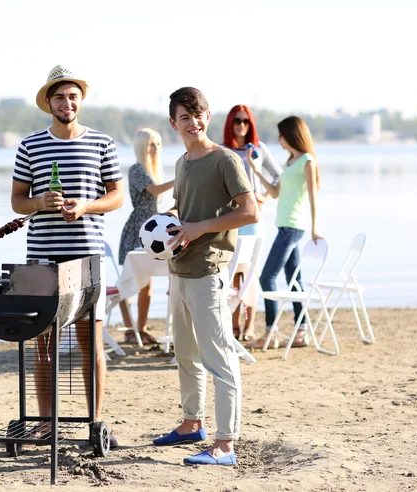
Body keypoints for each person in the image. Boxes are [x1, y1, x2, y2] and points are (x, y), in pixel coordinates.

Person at [11, 65, 124, 447]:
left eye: (73, 95)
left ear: (81, 100)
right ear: (49, 103)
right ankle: (45, 423)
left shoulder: (103, 144)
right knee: (43, 343)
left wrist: (87, 207)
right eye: (59, 96)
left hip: (87, 258)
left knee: (89, 342)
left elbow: (117, 196)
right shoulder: (30, 146)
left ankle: (94, 421)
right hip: (42, 257)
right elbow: (16, 202)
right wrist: (40, 202)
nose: (67, 102)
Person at [152, 87, 258, 466]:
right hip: (178, 270)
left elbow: (249, 212)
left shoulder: (225, 160)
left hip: (209, 270)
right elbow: (184, 208)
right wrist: (170, 221)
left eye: (198, 114)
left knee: (219, 357)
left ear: (208, 116)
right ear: (173, 123)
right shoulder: (181, 163)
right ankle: (190, 423)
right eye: (184, 116)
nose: (192, 122)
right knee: (185, 353)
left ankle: (225, 444)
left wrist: (199, 228)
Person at [245, 115, 322, 350]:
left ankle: (271, 332)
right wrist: (256, 171)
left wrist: (315, 227)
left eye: (281, 134)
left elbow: (313, 195)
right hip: (285, 226)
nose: (278, 139)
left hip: (292, 228)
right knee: (293, 280)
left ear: (291, 135)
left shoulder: (307, 161)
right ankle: (301, 331)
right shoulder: (290, 162)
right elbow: (276, 193)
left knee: (267, 277)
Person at [222, 105, 283, 342]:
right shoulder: (223, 150)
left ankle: (249, 326)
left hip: (254, 217)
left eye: (246, 121)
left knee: (250, 272)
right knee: (233, 269)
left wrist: (265, 197)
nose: (241, 126)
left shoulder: (258, 149)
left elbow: (279, 177)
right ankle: (234, 324)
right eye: (237, 121)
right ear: (230, 123)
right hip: (231, 217)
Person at [118, 128, 174, 344]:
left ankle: (140, 329)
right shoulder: (136, 169)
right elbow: (155, 190)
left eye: (158, 144)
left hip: (154, 228)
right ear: (142, 146)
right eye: (152, 144)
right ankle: (130, 329)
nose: (156, 148)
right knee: (128, 280)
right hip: (137, 229)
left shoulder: (153, 169)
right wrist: (181, 180)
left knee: (147, 283)